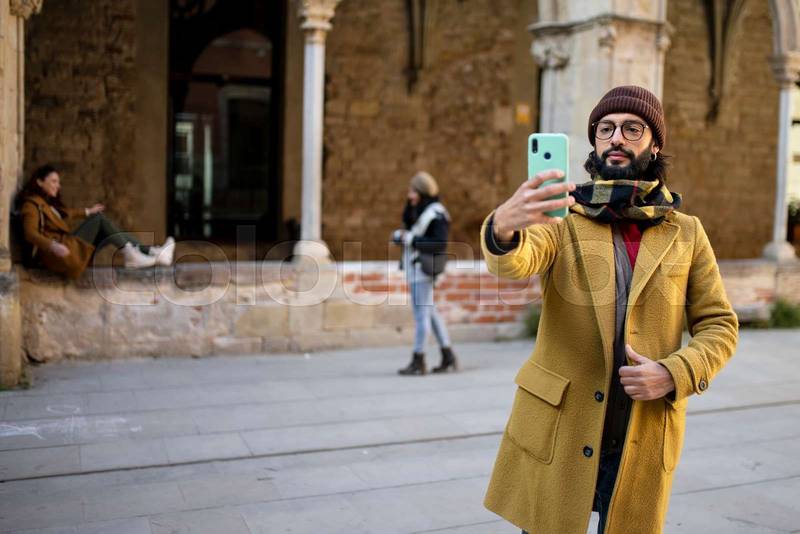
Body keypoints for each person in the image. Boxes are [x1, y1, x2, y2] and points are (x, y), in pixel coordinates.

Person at [480, 86, 738, 533]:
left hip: (641, 429)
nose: (616, 137)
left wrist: (675, 373)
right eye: (606, 129)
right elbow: (520, 260)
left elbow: (719, 324)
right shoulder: (563, 218)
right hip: (563, 427)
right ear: (595, 142)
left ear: (654, 144)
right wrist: (504, 227)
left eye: (632, 128)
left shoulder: (687, 232)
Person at [18, 164, 175, 279]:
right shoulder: (31, 205)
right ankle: (135, 254)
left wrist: (88, 211)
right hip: (57, 255)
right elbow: (30, 233)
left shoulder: (46, 204)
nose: (58, 186)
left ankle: (153, 253)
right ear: (39, 182)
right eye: (53, 181)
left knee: (112, 232)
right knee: (99, 220)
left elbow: (67, 213)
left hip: (65, 249)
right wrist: (53, 246)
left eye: (58, 182)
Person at [393, 171, 458, 375]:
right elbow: (410, 229)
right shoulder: (421, 210)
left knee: (421, 316)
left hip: (423, 270)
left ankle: (418, 360)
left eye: (413, 191)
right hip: (416, 268)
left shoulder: (436, 213)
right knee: (430, 312)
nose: (409, 195)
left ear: (421, 191)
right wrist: (402, 236)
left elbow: (439, 243)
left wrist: (411, 239)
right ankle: (448, 356)